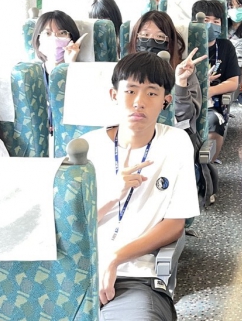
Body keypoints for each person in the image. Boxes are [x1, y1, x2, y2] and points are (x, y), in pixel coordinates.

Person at [80, 52, 199, 320]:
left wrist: (115, 258)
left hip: (135, 277)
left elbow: (175, 224)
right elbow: (70, 225)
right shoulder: (85, 147)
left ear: (166, 100)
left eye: (152, 93)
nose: (139, 102)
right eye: (130, 91)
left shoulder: (176, 143)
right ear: (114, 95)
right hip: (78, 269)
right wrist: (111, 197)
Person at [127, 11, 205, 142]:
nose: (151, 41)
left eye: (160, 37)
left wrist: (180, 83)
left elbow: (185, 118)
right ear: (136, 38)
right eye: (145, 35)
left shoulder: (184, 70)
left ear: (170, 43)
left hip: (173, 137)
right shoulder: (123, 71)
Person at [191, 0, 240, 164]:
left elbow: (233, 82)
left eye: (216, 21)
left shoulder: (226, 47)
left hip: (212, 102)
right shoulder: (184, 45)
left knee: (213, 123)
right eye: (205, 20)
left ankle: (207, 167)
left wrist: (209, 91)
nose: (211, 25)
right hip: (186, 99)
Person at [32, 10, 86, 76]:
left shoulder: (84, 74)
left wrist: (69, 64)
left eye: (62, 33)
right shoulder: (31, 73)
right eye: (47, 33)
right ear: (38, 38)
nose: (55, 40)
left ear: (72, 37)